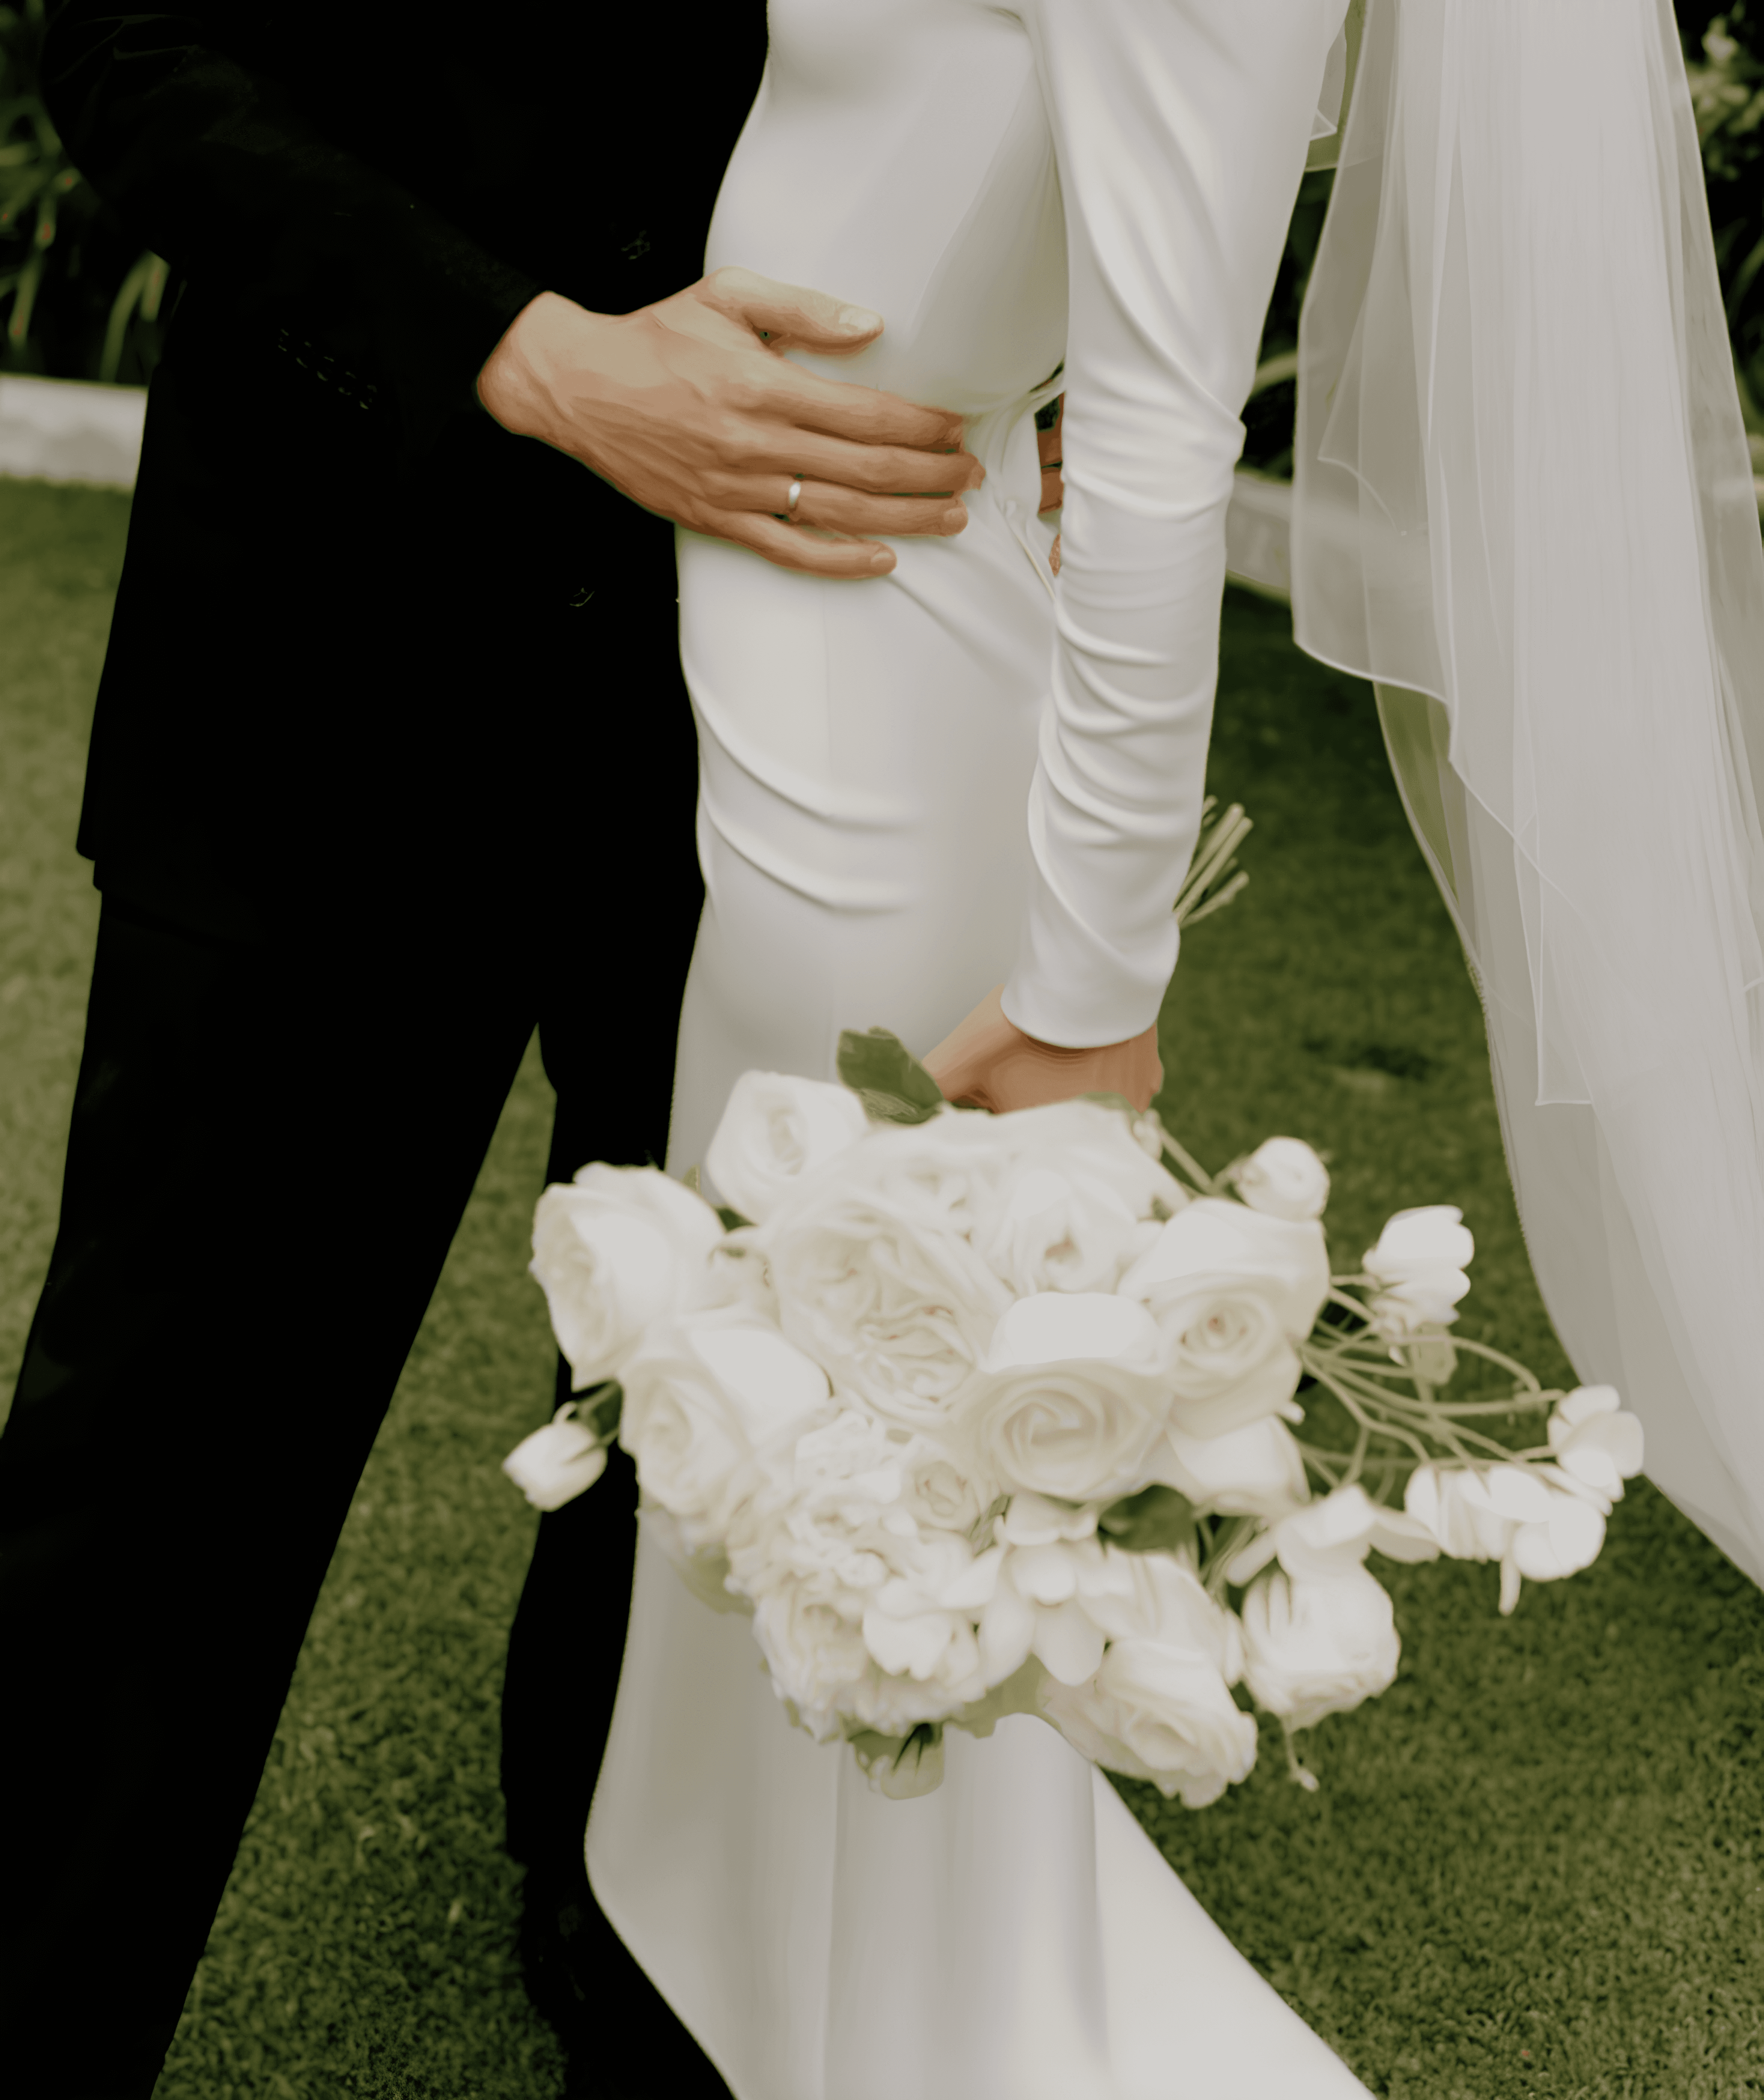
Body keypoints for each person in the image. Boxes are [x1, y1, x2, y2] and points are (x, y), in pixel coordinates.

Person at [0, 6, 1030, 2096]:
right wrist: (531, 353)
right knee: (164, 1454)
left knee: (721, 1428)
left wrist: (1080, 365)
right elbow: (126, 40)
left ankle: (626, 1922)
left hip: (820, 670)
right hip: (333, 628)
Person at [528, 1, 1378, 2096]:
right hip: (792, 606)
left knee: (860, 1391)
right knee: (757, 1385)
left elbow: (1175, 427)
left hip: (882, 683)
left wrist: (1095, 992)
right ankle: (720, 1956)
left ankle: (876, 2017)